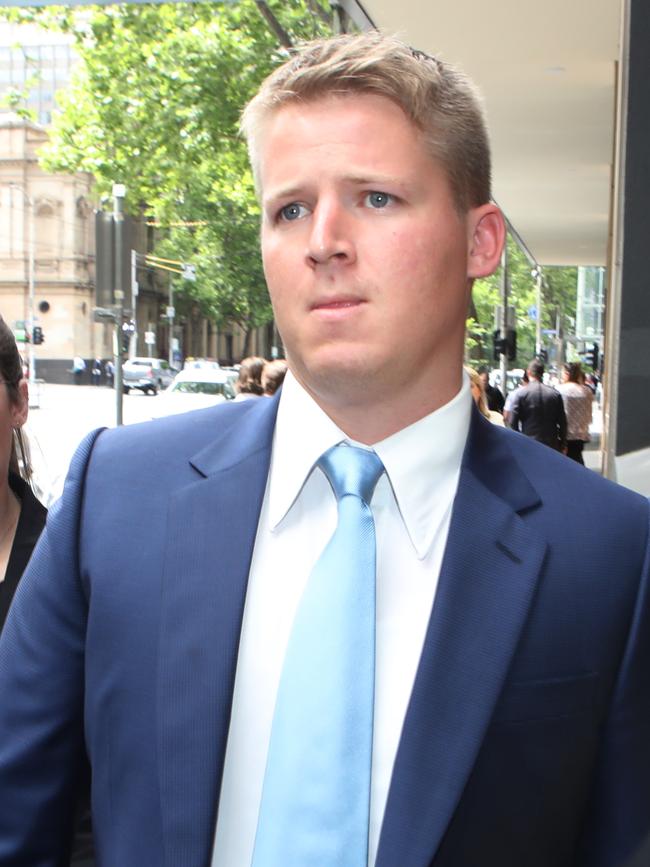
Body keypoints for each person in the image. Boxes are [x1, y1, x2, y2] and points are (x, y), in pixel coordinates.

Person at [0, 33, 648, 867]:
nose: (324, 241)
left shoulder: (612, 555)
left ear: (481, 242)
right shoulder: (116, 497)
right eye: (290, 208)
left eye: (375, 198)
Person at [507, 358, 568, 451]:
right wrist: (563, 443)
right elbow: (562, 422)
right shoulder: (555, 394)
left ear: (528, 372)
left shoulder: (521, 394)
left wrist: (517, 441)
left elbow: (512, 422)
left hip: (528, 443)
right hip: (551, 444)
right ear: (542, 373)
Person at [556, 361, 593, 464]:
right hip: (580, 434)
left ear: (567, 374)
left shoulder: (559, 390)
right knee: (577, 459)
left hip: (563, 435)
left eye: (563, 373)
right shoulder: (587, 391)